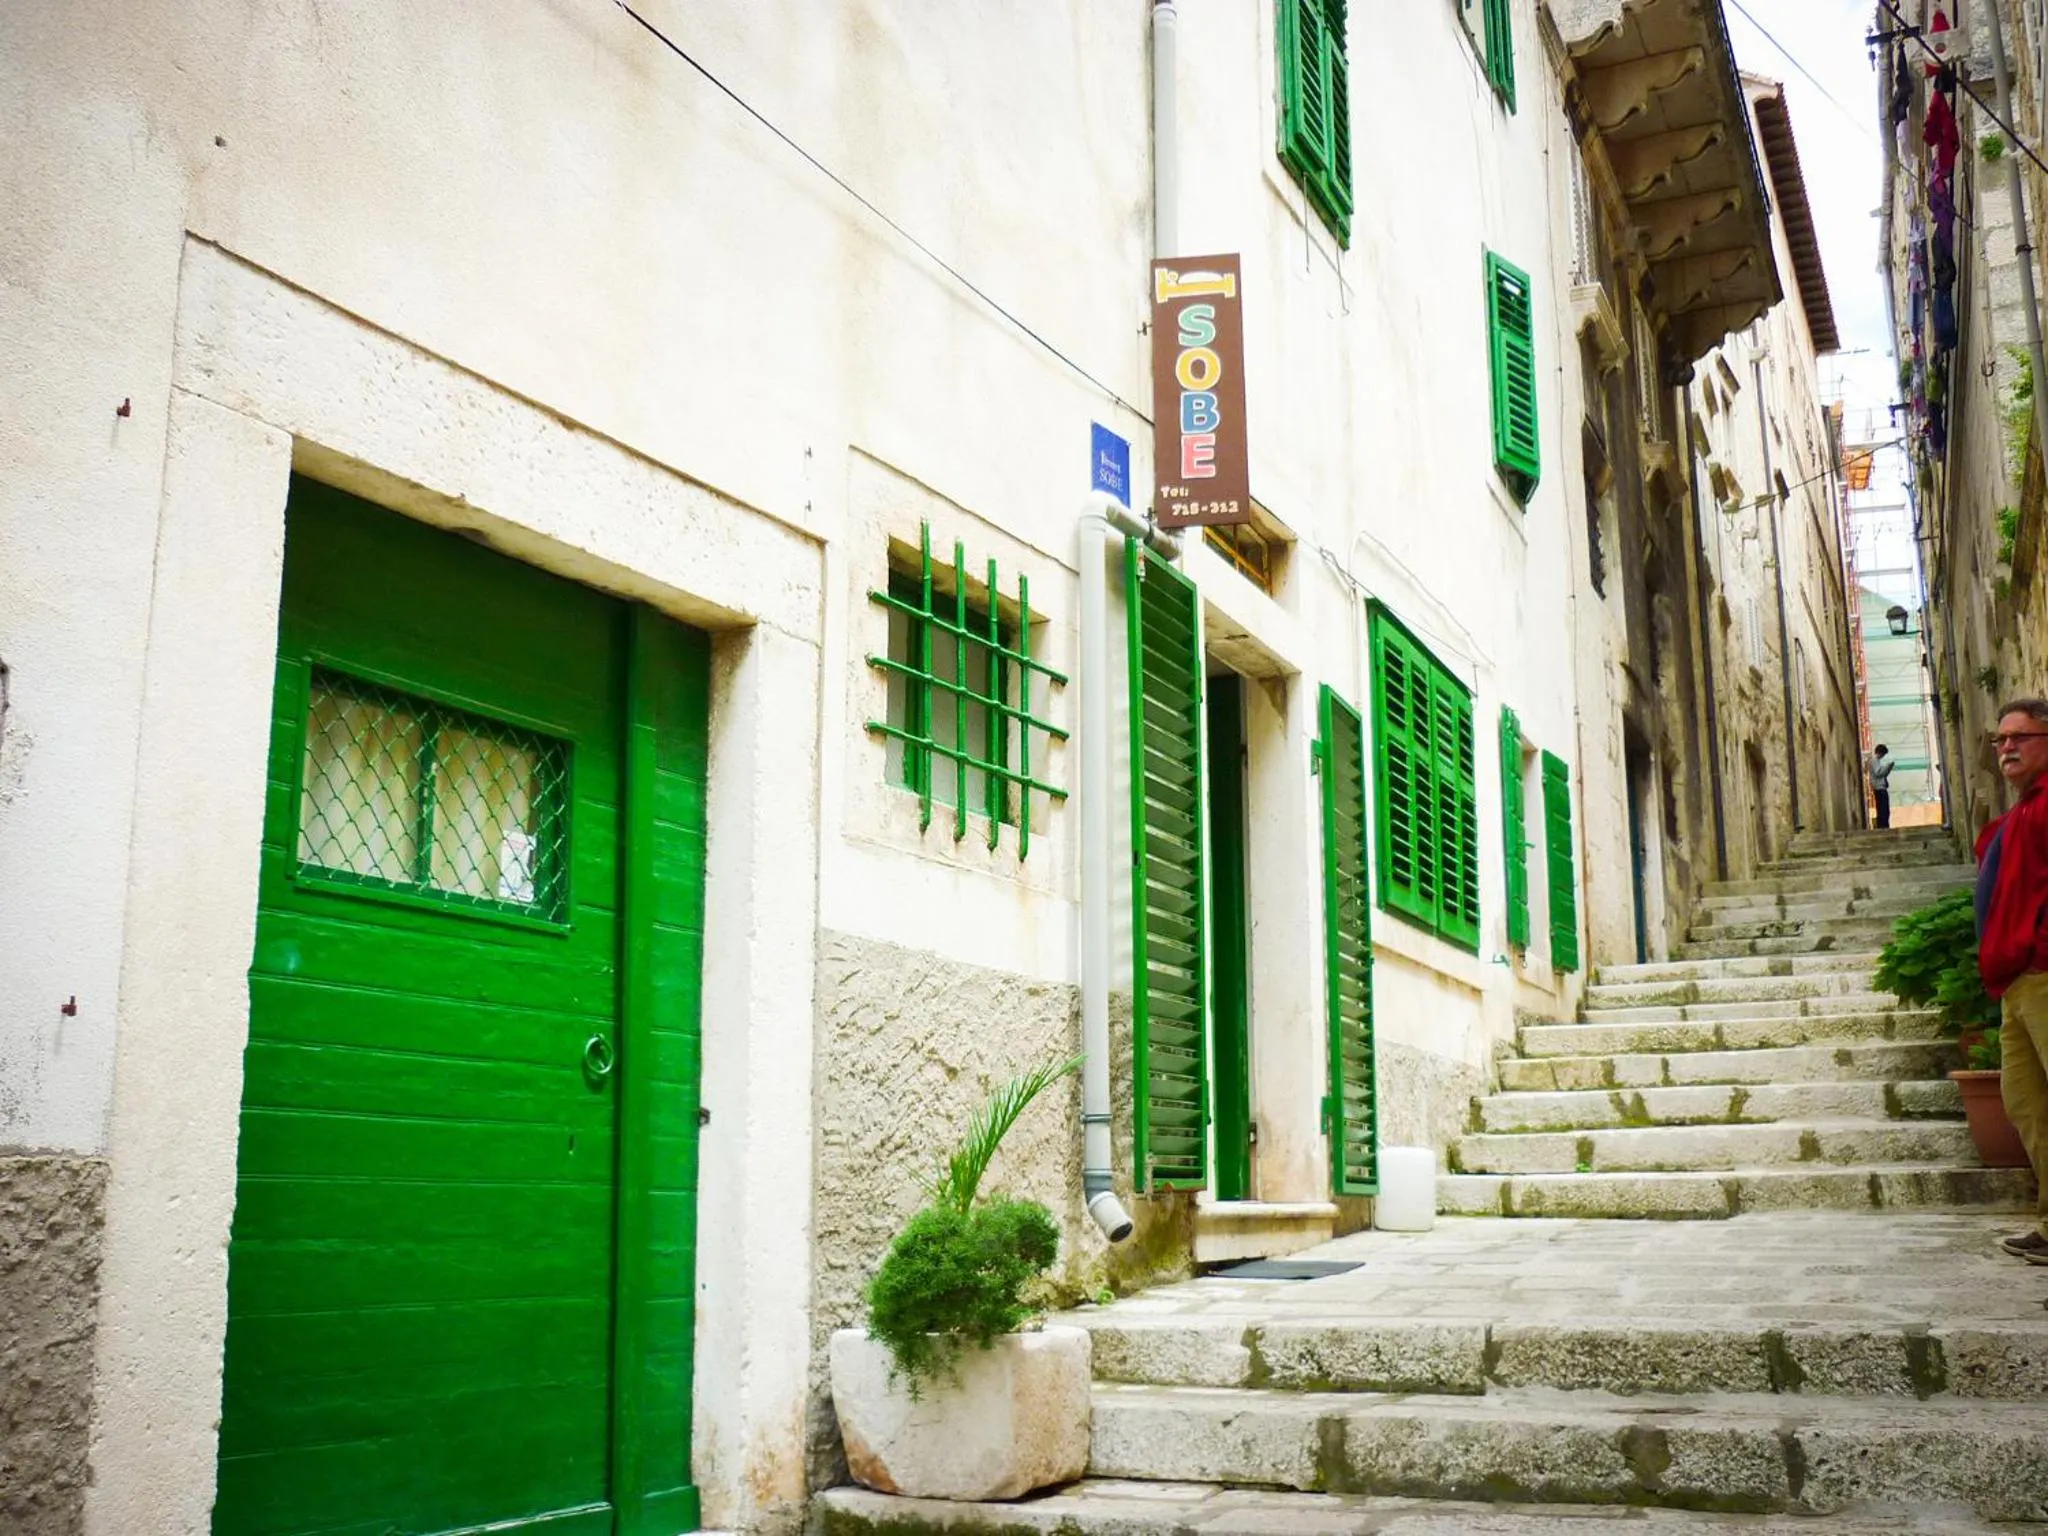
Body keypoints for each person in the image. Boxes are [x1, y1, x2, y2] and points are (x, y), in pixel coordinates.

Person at [1979, 699, 2048, 1262]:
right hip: (2016, 981)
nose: (2006, 747)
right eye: (2000, 740)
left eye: (2018, 737)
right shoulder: (2023, 812)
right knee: (2026, 1102)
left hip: (2042, 973)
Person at [1868, 744, 1895, 829]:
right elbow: (1878, 773)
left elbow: (1881, 774)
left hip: (1880, 787)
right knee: (1883, 809)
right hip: (1879, 788)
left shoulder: (1876, 761)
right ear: (1881, 752)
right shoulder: (1874, 760)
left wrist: (1888, 769)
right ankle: (1883, 826)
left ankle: (1884, 825)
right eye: (1883, 754)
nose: (1883, 757)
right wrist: (1887, 767)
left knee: (1884, 809)